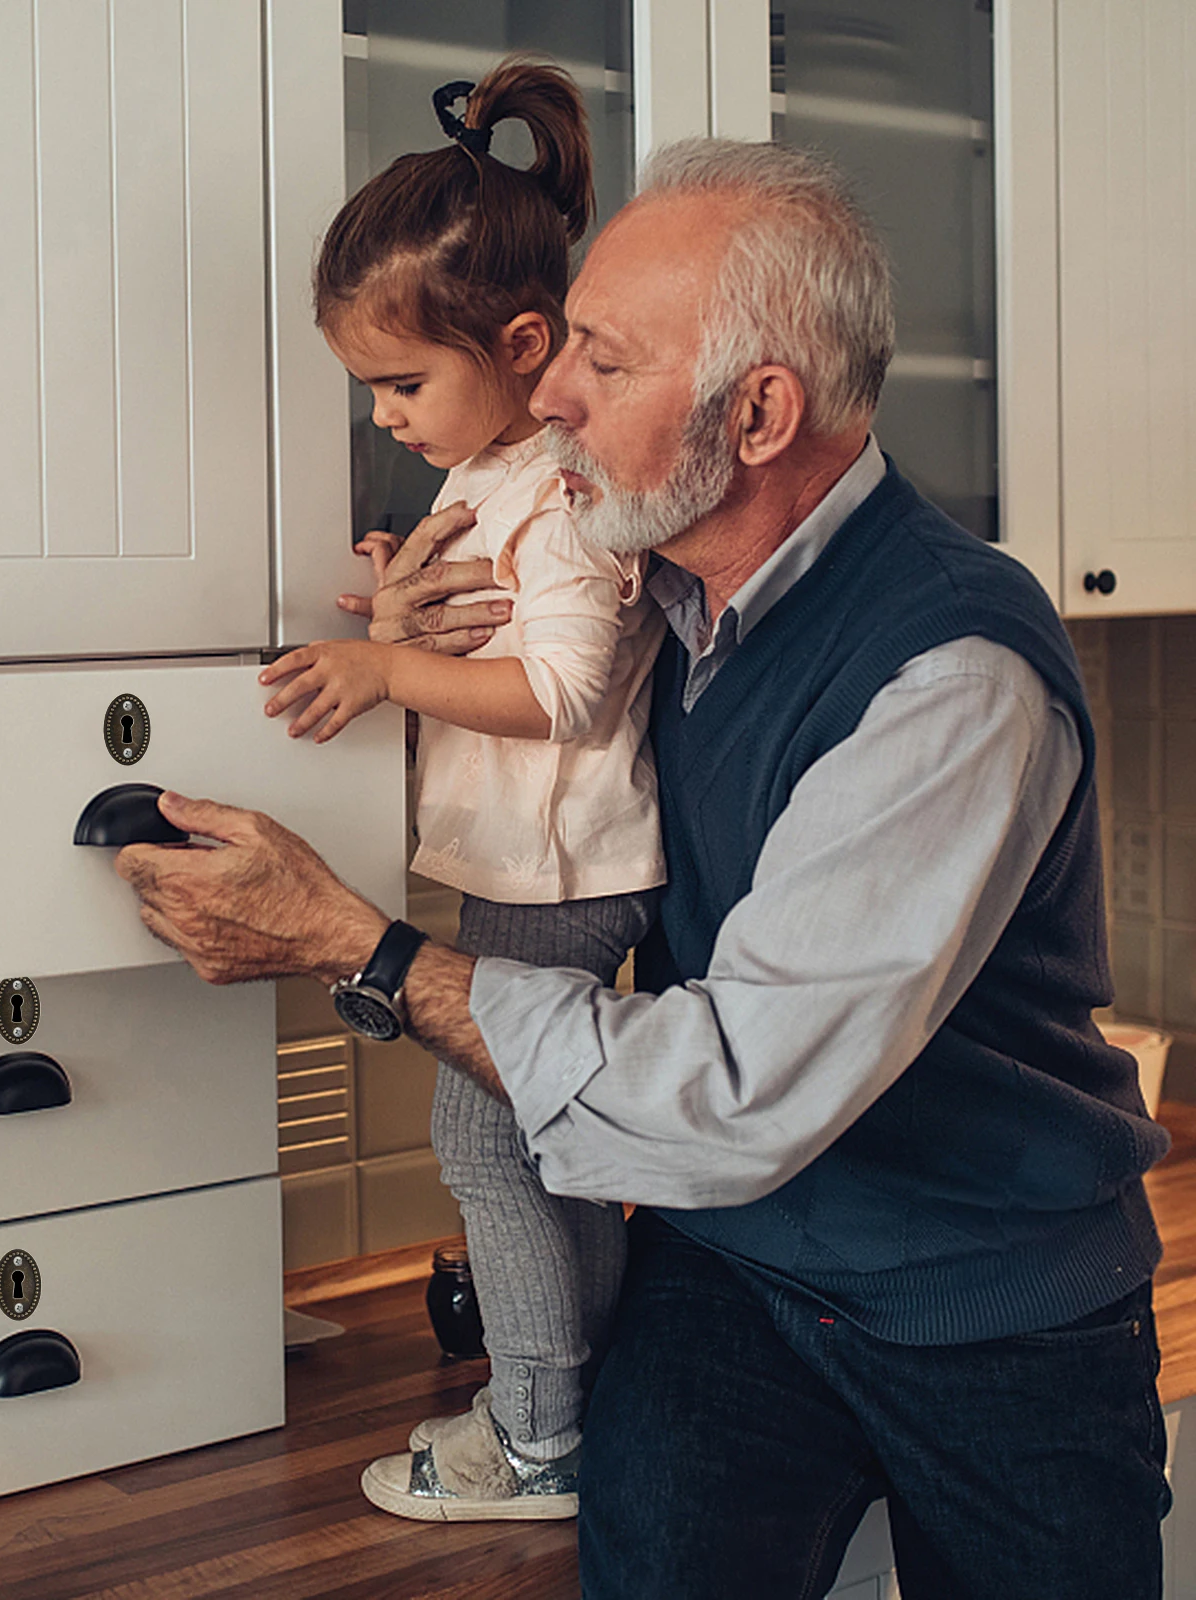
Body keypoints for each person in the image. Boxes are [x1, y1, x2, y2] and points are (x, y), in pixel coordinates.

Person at [117, 138, 1173, 1599]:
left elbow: (731, 1091)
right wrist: (416, 620)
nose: (545, 394)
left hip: (986, 1313)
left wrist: (359, 951)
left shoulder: (951, 673)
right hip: (735, 1277)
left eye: (599, 364)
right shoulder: (666, 584)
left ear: (756, 415)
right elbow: (529, 672)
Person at [260, 61, 665, 1522]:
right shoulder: (495, 476)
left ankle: (540, 1433)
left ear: (525, 341)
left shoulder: (554, 494)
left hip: (556, 873)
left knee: (489, 1139)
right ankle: (596, 1400)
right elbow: (493, 631)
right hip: (541, 868)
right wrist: (394, 606)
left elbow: (556, 689)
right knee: (555, 1137)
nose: (383, 416)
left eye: (402, 383)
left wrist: (381, 676)